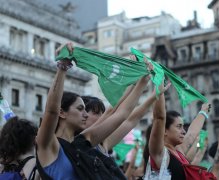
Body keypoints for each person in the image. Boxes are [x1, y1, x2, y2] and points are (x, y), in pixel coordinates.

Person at [36, 43, 150, 179]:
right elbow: (51, 111)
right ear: (62, 112)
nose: (85, 114)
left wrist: (142, 81)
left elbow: (122, 114)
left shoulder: (83, 142)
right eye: (80, 109)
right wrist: (63, 67)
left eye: (85, 109)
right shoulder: (48, 144)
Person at [146, 80, 213, 180]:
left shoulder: (179, 152)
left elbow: (191, 134)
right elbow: (159, 118)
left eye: (183, 127)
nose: (184, 131)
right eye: (179, 127)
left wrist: (203, 112)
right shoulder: (160, 153)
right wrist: (159, 80)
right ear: (164, 131)